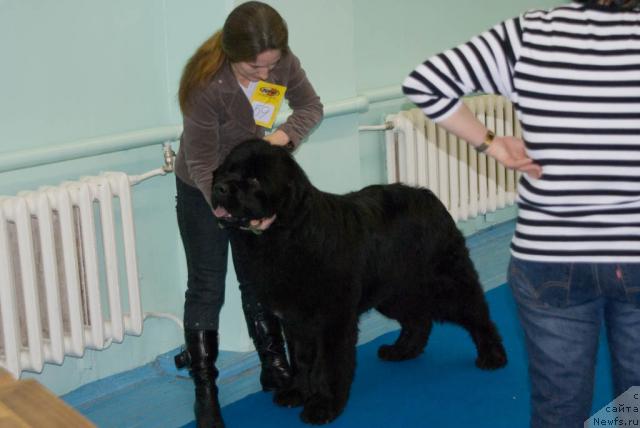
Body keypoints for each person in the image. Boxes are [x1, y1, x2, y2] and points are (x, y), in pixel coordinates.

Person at [402, 0, 640, 427]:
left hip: (550, 255)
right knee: (637, 403)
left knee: (559, 407)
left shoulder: (530, 33)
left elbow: (426, 81)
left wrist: (490, 141)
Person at [172, 2, 323, 427]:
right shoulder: (205, 87)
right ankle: (205, 389)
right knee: (207, 287)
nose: (265, 75)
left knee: (257, 278)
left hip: (250, 185)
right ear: (231, 52)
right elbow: (202, 165)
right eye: (254, 69)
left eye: (271, 66)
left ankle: (273, 364)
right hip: (204, 187)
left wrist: (284, 137)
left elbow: (311, 107)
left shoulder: (282, 63)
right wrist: (229, 213)